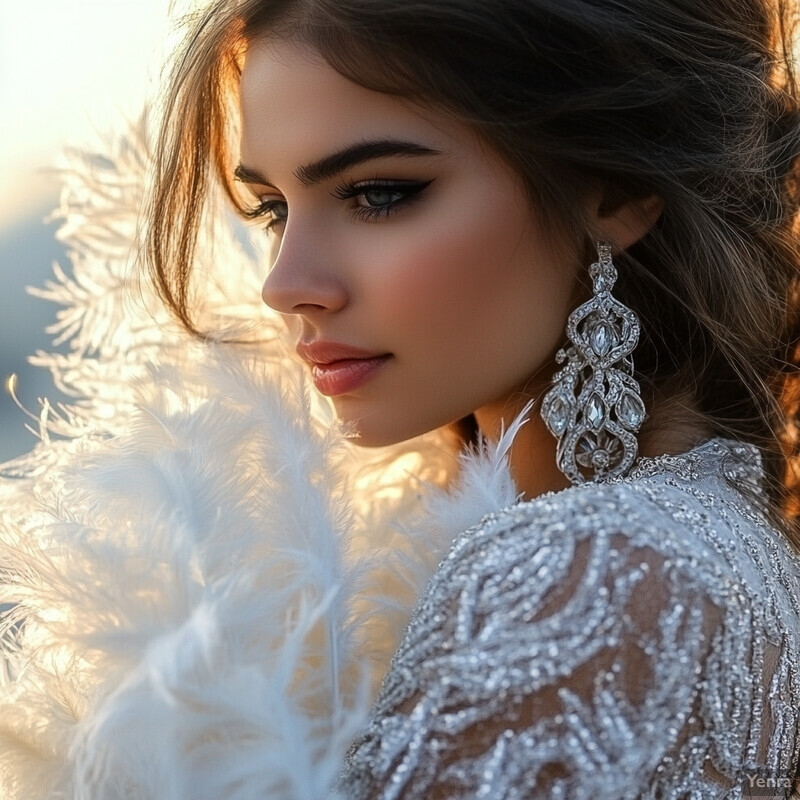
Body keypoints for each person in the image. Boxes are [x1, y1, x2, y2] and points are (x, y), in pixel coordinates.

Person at [2, 0, 800, 797]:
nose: (285, 285)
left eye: (378, 194)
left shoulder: (588, 570)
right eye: (273, 209)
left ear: (618, 188)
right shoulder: (716, 548)